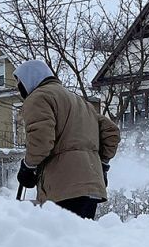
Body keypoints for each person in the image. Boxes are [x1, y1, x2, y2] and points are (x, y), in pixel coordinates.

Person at [14, 59, 120, 219]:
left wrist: (28, 167)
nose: (19, 89)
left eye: (20, 83)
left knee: (61, 240)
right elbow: (111, 132)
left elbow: (41, 139)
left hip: (64, 187)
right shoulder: (79, 101)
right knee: (80, 240)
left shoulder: (38, 97)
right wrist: (102, 165)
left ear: (29, 79)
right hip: (92, 187)